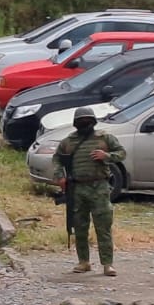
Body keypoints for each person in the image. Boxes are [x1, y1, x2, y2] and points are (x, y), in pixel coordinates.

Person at [52, 106, 125, 277]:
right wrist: (59, 176)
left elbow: (121, 153)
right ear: (75, 123)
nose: (84, 123)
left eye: (88, 120)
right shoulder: (68, 141)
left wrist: (106, 156)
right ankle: (83, 262)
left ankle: (107, 264)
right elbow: (57, 158)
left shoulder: (105, 138)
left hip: (99, 187)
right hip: (77, 188)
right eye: (81, 121)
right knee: (80, 226)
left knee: (103, 226)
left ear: (93, 122)